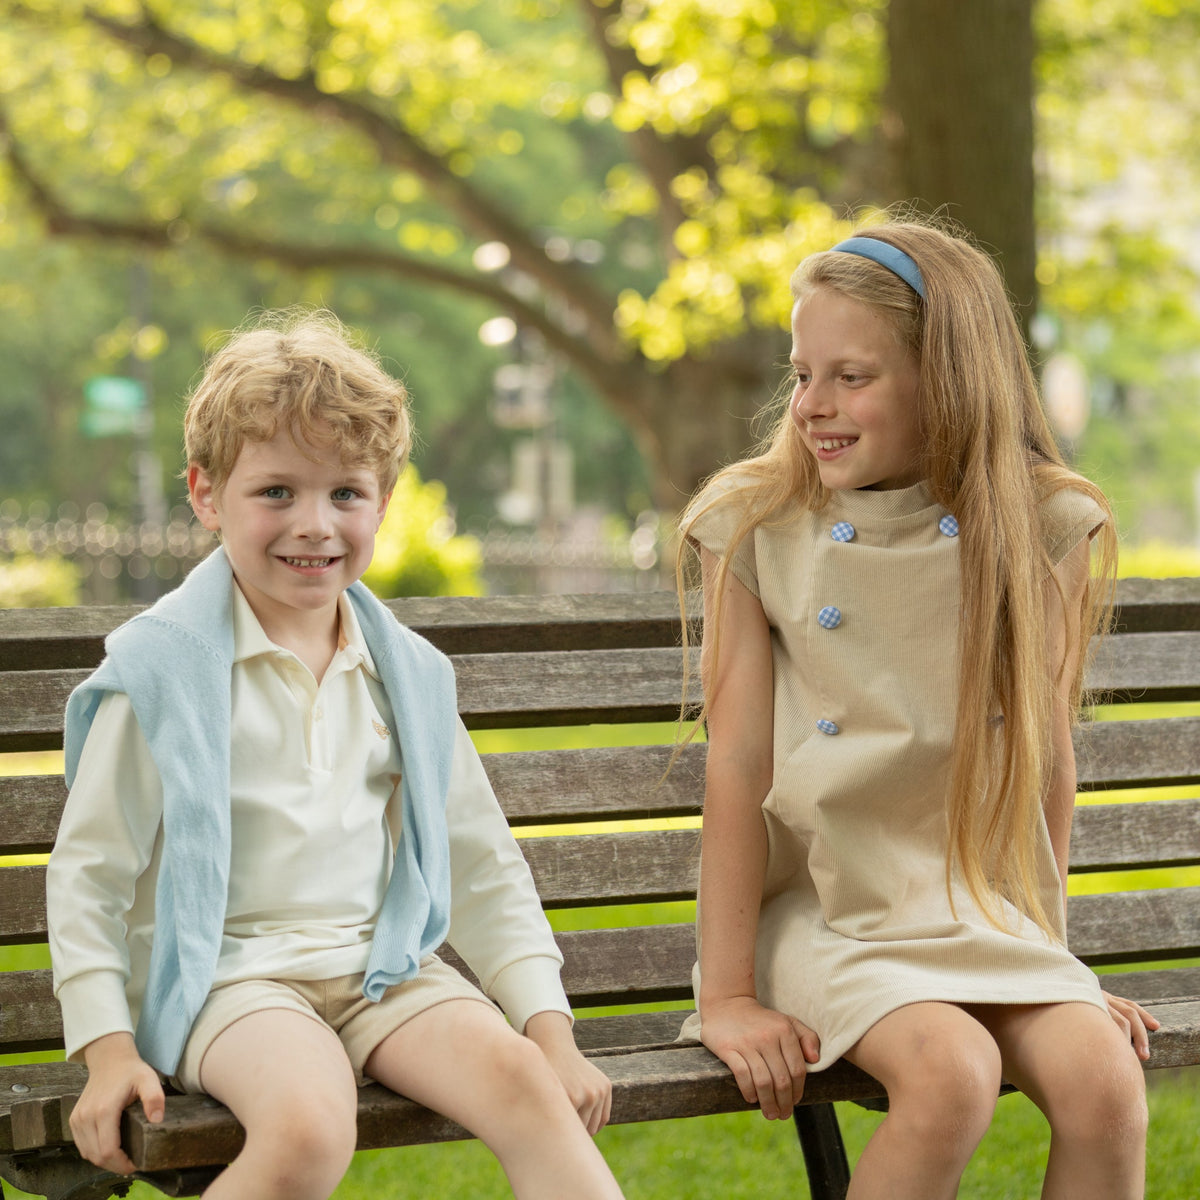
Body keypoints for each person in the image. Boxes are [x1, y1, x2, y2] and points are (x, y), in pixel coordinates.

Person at [46, 310, 625, 1200]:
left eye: (345, 494)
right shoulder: (160, 671)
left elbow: (478, 860)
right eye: (276, 492)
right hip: (231, 981)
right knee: (312, 1127)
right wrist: (107, 1049)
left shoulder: (406, 674)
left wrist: (548, 1029)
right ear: (206, 495)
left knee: (524, 1083)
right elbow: (89, 875)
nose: (313, 525)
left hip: (382, 969)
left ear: (383, 502)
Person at [676, 219, 1157, 1199]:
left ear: (951, 378)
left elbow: (1043, 753)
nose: (812, 404)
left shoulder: (1040, 523)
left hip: (983, 907)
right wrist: (725, 996)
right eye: (804, 373)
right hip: (830, 913)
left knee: (1106, 1083)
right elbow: (735, 769)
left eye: (852, 377)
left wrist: (1049, 954)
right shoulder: (759, 526)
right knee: (950, 1075)